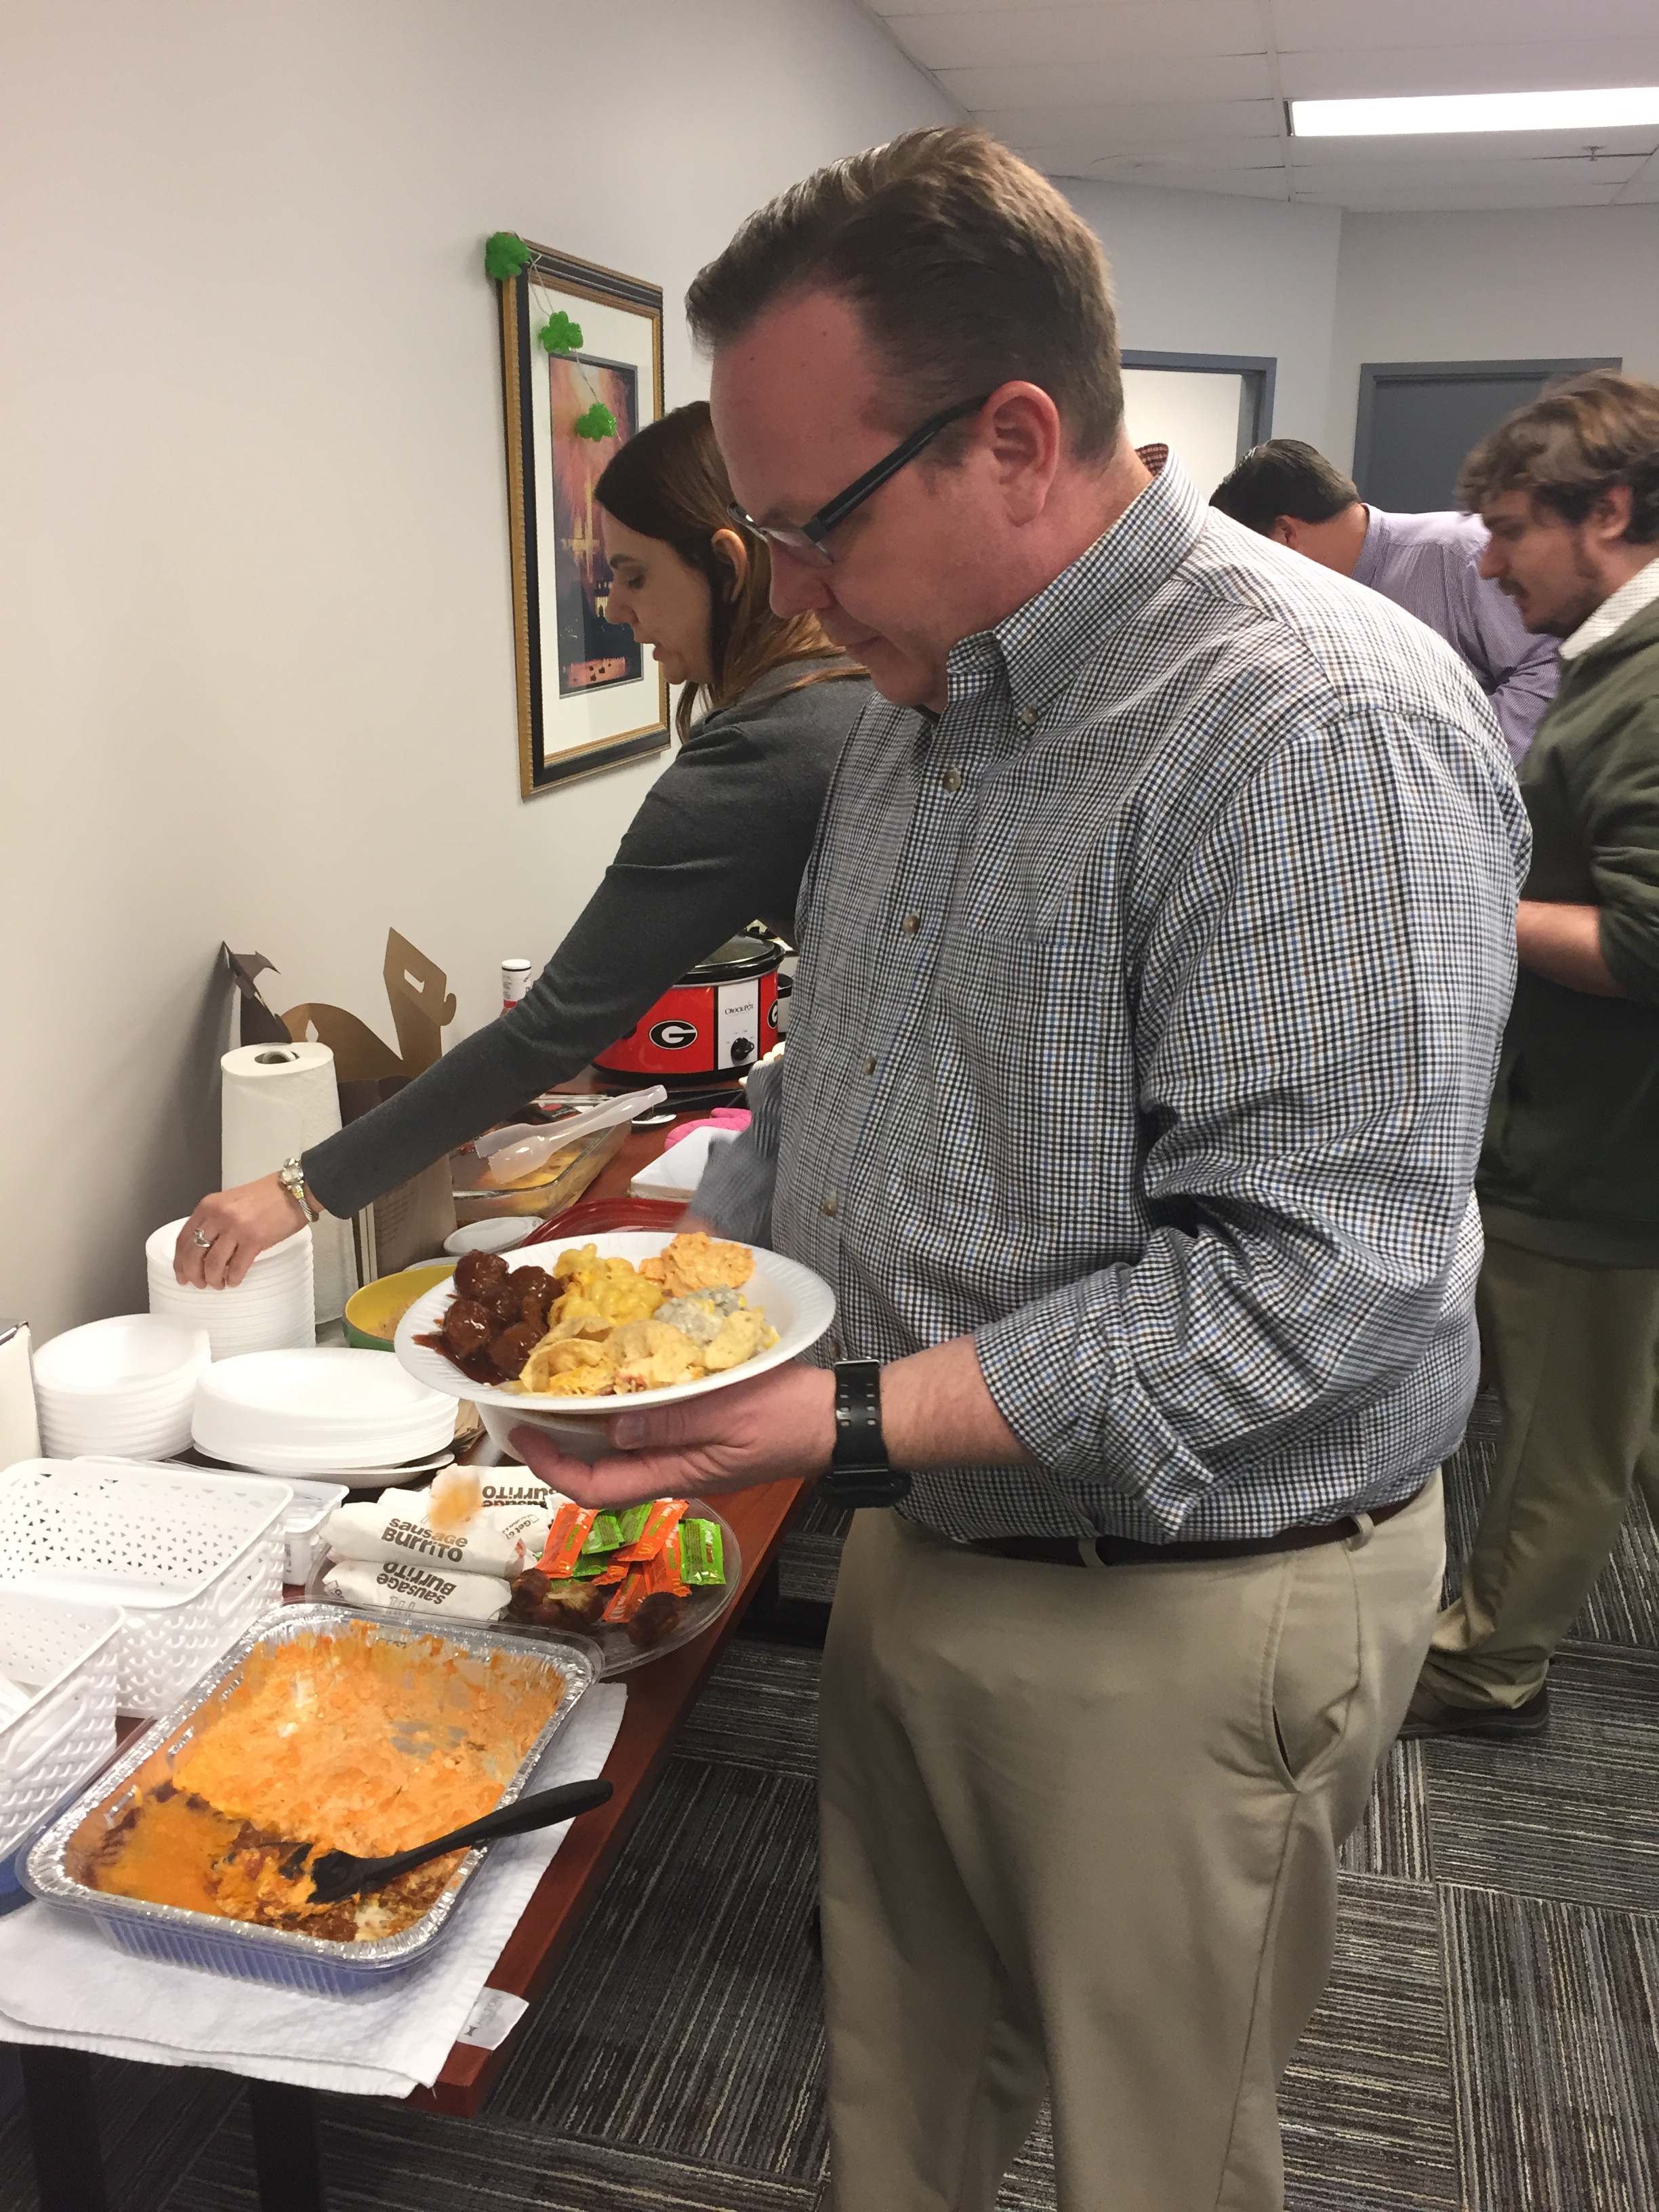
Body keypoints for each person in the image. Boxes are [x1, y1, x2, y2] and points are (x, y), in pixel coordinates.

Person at [510, 127, 1528, 2211]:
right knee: (905, 2104)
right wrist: (668, 1322)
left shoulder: (1307, 722)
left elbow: (1308, 1291)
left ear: (1018, 436)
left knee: (1156, 2155)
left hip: (1196, 1598)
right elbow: (833, 1080)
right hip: (924, 1530)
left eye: (810, 524)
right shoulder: (917, 698)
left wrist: (841, 1410)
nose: (780, 582)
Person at [174, 402, 868, 1284]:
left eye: (633, 576)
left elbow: (546, 1029)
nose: (614, 608)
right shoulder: (856, 695)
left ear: (727, 566)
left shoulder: (763, 750)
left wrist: (296, 1190)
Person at [1402, 371, 1659, 1741]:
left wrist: (1463, 898)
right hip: (1613, 1132)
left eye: (1510, 529)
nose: (1490, 563)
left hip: (1598, 1146)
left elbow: (1653, 940)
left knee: (1560, 1437)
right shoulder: (1621, 666)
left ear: (1605, 511)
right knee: (1628, 1395)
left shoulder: (1644, 691)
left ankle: (1486, 1668)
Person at [1210, 436, 1559, 764]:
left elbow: (1548, 669)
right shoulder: (1315, 601)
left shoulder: (1459, 555)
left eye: (1252, 557)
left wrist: (1456, 767)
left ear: (1286, 534)